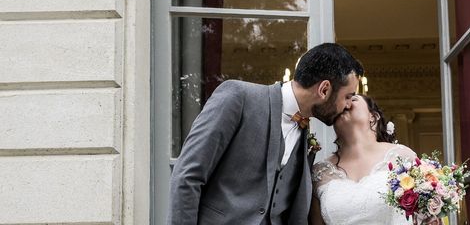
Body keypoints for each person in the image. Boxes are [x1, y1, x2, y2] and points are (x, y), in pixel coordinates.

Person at [168, 42, 363, 225]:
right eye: (348, 96)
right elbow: (188, 175)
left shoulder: (304, 131)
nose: (348, 105)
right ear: (324, 89)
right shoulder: (238, 97)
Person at [310, 95, 440, 225]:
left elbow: (427, 218)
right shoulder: (320, 172)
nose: (345, 103)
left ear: (373, 116)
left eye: (353, 99)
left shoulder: (401, 156)